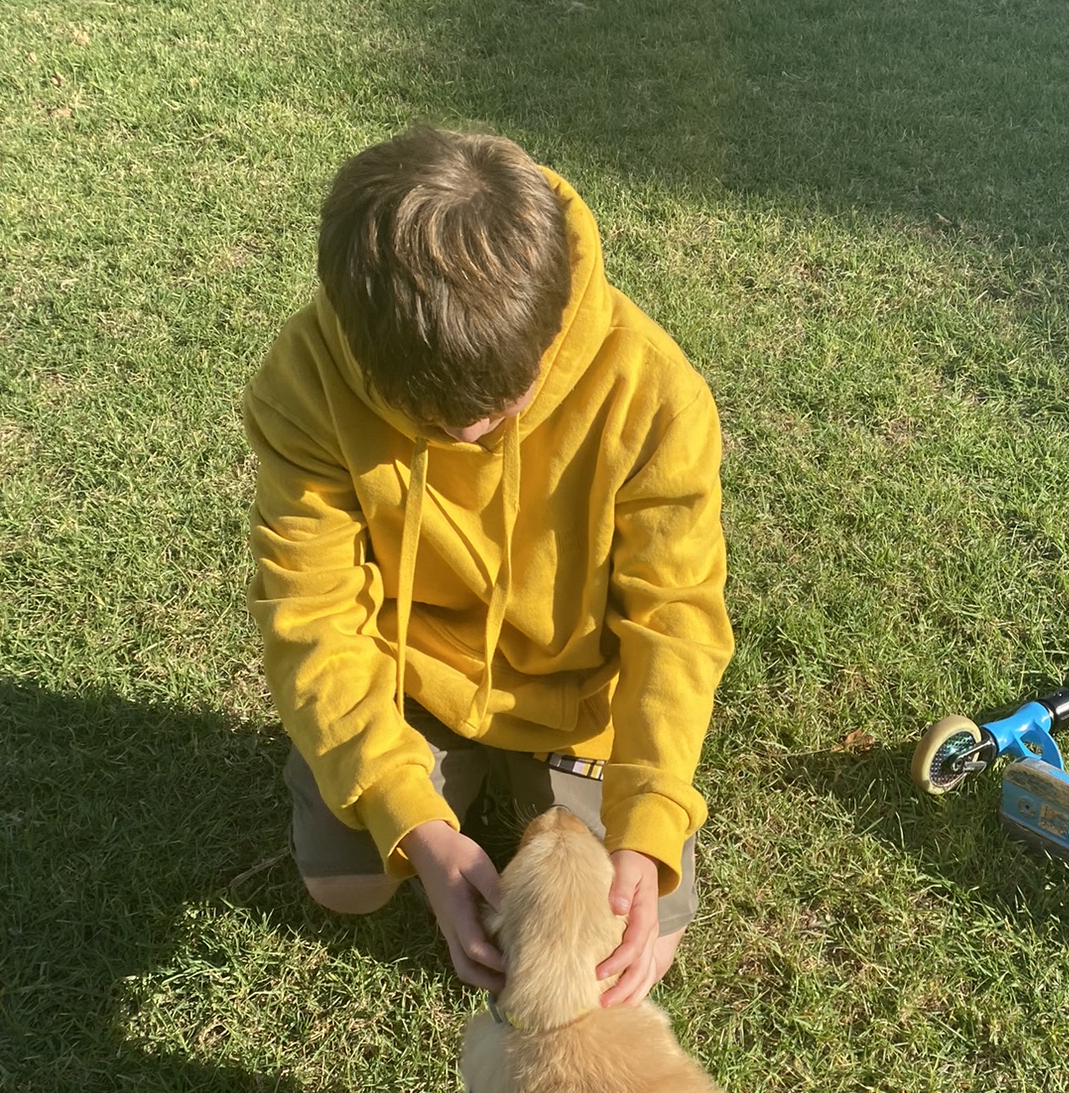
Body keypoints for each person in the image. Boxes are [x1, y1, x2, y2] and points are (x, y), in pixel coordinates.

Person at [242, 125, 733, 1004]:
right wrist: (412, 820)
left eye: (504, 405)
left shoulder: (655, 391)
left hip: (579, 697)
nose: (470, 435)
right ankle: (445, 790)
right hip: (413, 683)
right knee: (345, 886)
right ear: (357, 344)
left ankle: (543, 792)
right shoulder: (302, 381)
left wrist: (648, 823)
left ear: (552, 327)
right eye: (426, 419)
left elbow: (676, 620)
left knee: (636, 942)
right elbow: (309, 614)